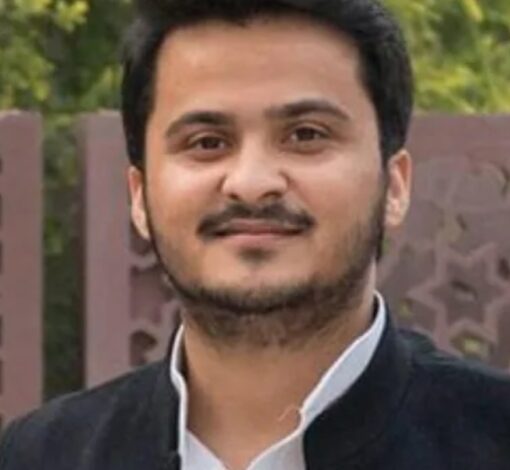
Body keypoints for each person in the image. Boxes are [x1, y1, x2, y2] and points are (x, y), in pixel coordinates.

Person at [2, 0, 510, 469]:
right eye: (207, 142)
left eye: (306, 135)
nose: (251, 183)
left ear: (394, 185)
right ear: (139, 195)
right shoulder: (41, 455)